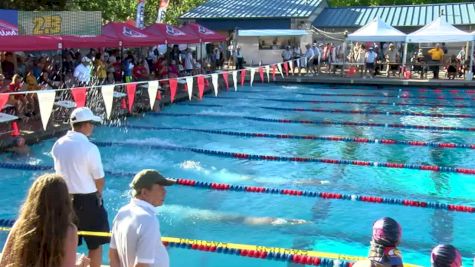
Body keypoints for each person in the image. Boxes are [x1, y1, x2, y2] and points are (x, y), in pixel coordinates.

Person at [51, 107, 109, 267]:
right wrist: (98, 195)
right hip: (88, 201)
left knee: (66, 244)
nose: (93, 127)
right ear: (85, 125)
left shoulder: (58, 144)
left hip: (63, 200)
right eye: (91, 123)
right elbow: (99, 179)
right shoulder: (90, 148)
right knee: (95, 245)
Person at [0, 173, 90, 267]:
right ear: (65, 201)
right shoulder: (69, 231)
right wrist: (80, 265)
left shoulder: (21, 225)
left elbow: (3, 262)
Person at [109, 169, 176, 267]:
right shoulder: (148, 219)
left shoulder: (123, 212)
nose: (165, 192)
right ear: (144, 193)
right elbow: (142, 264)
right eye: (161, 187)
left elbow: (113, 255)